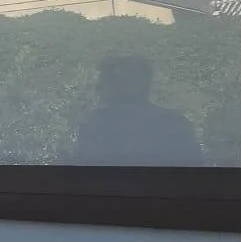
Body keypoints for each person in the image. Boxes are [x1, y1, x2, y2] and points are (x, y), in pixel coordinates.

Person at [73, 55, 202, 165]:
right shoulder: (93, 123)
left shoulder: (174, 124)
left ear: (139, 83)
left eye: (110, 80)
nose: (99, 88)